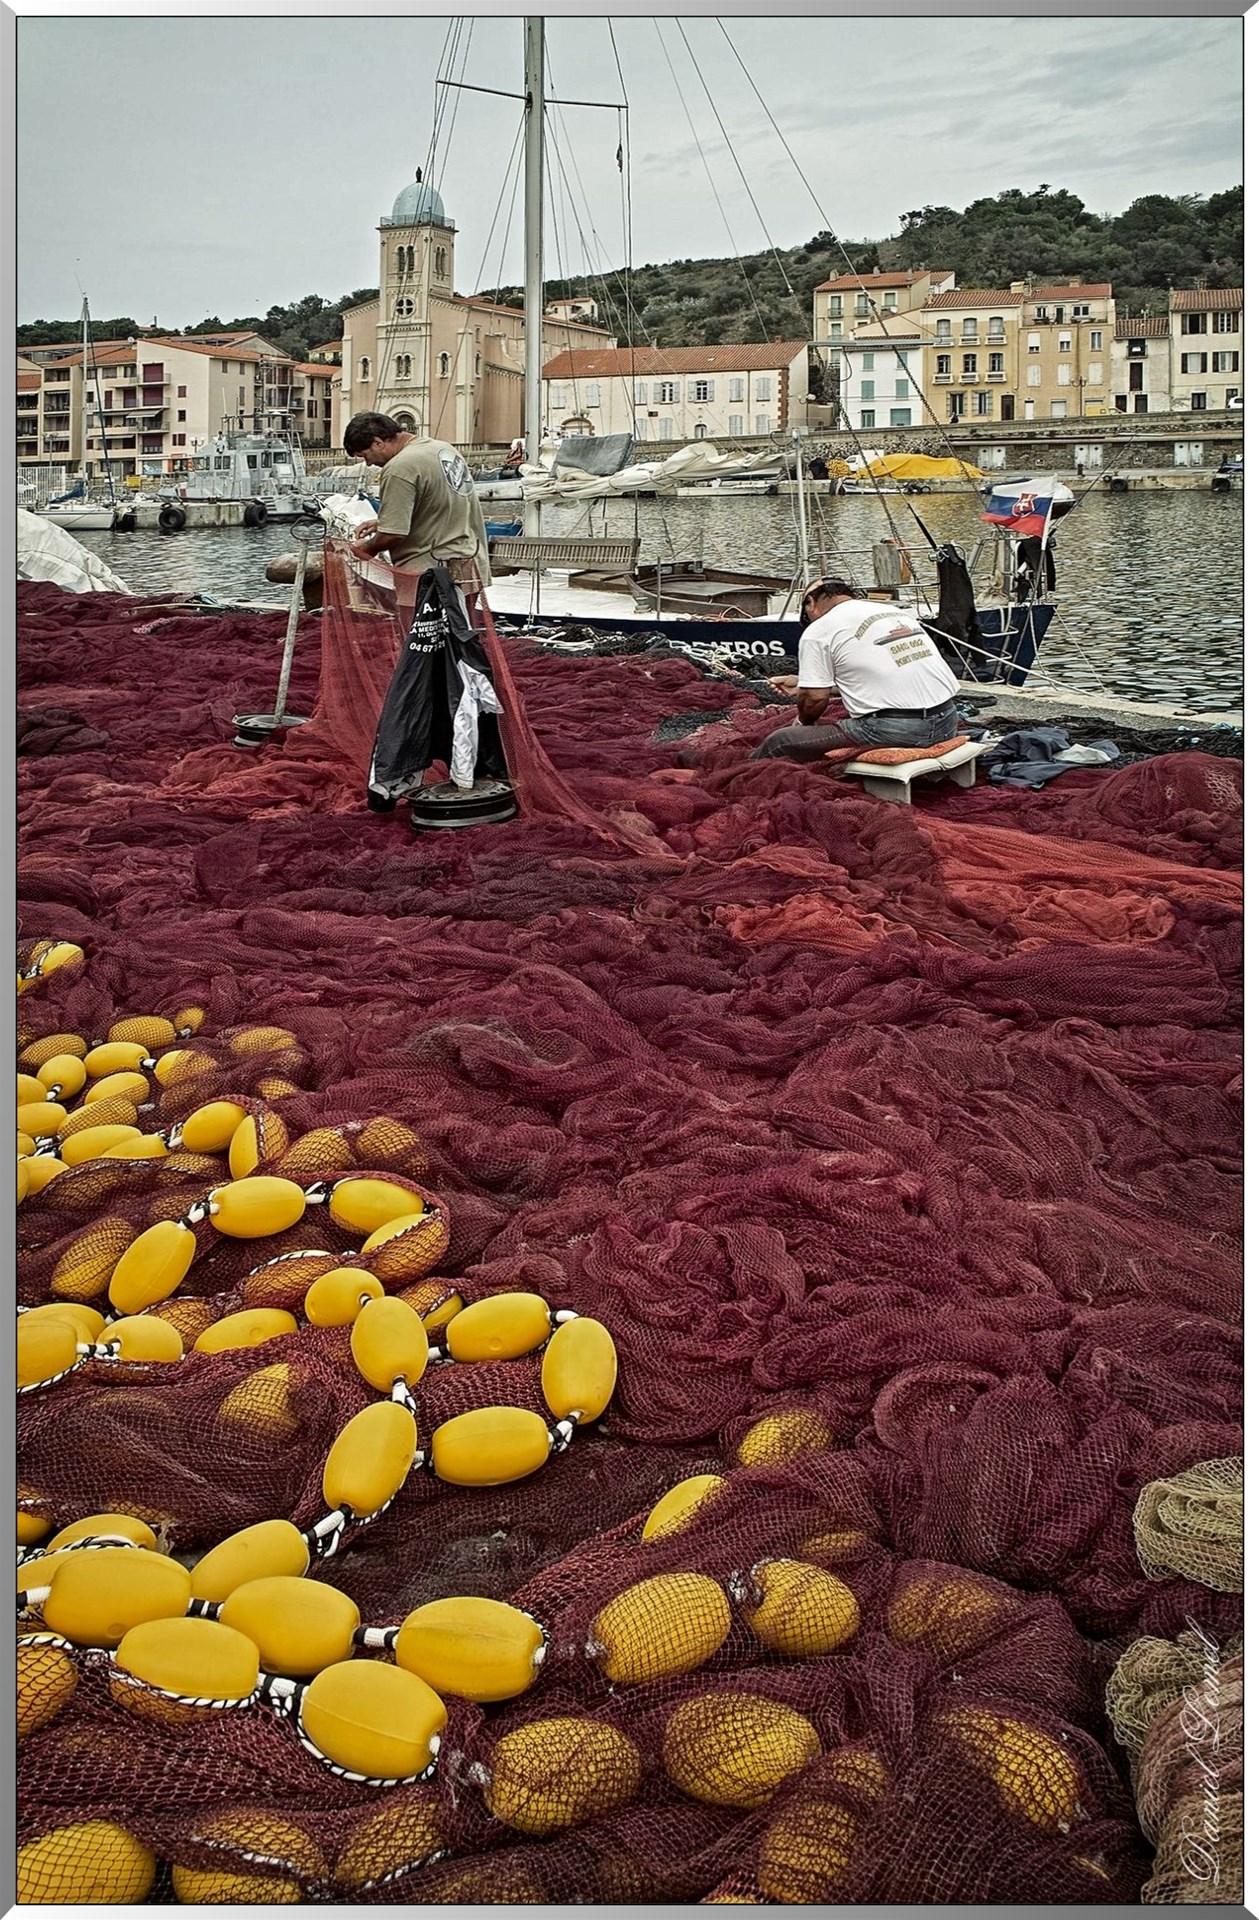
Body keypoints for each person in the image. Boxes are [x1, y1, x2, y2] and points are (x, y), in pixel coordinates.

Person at [752, 577, 961, 762]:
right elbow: (878, 678)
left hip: (896, 732)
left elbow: (814, 700)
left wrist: (802, 722)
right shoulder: (895, 613)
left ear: (811, 603)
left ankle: (745, 783)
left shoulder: (819, 629)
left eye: (807, 616)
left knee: (781, 740)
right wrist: (802, 684)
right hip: (948, 720)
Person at [343, 411, 490, 587]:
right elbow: (441, 504)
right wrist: (383, 521)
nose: (368, 464)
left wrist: (367, 548)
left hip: (426, 572)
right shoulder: (444, 449)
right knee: (464, 615)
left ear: (378, 443)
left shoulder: (398, 468)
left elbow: (393, 534)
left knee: (415, 616)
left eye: (365, 456)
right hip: (468, 562)